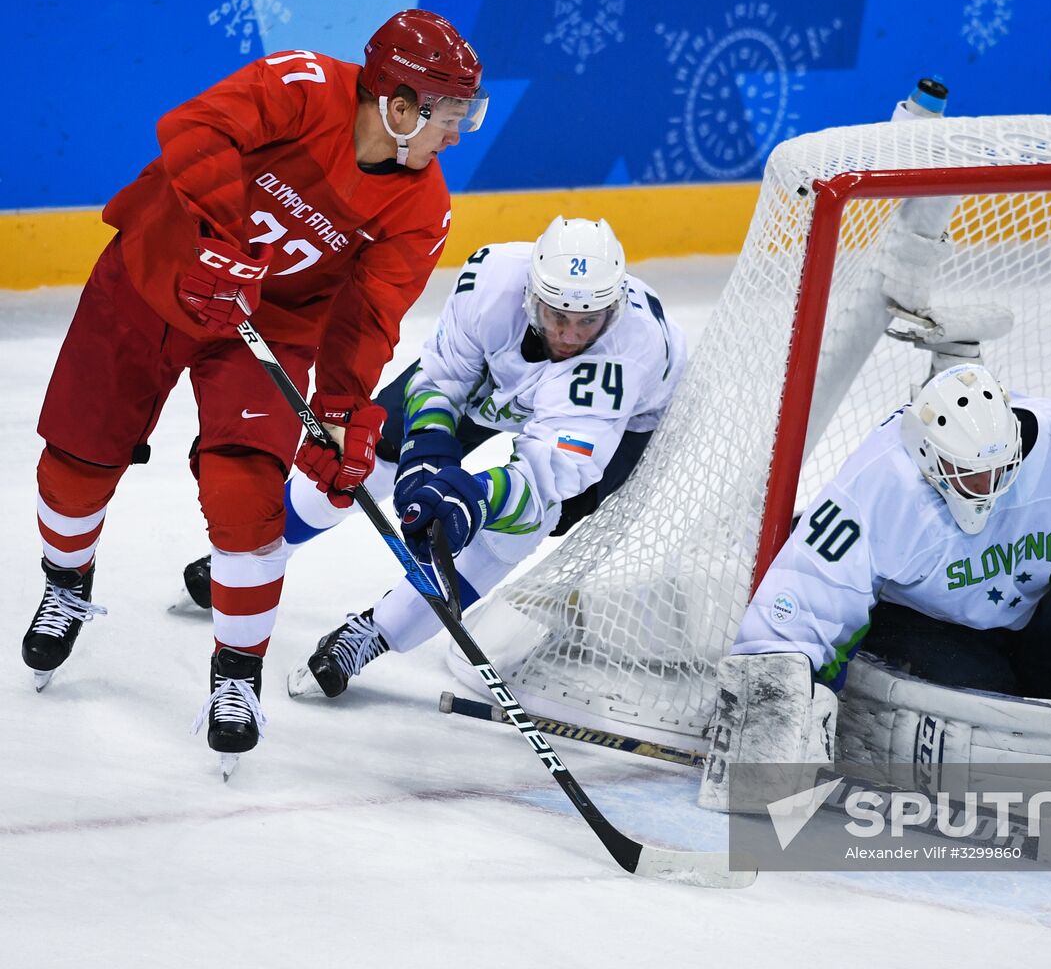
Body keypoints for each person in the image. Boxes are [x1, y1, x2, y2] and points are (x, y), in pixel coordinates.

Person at [21, 9, 488, 770]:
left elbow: (369, 316)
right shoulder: (302, 86)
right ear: (400, 107)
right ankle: (66, 582)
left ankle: (237, 674)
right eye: (451, 114)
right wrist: (221, 242)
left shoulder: (421, 206)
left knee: (248, 498)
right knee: (78, 460)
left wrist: (341, 411)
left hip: (269, 327)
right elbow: (195, 128)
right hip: (155, 272)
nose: (458, 134)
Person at [698, 363, 1051, 809]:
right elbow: (810, 593)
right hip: (916, 618)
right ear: (927, 455)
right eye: (970, 474)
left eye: (1000, 469)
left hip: (1023, 608)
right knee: (1002, 708)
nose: (988, 487)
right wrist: (775, 700)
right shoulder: (880, 483)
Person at [178, 215, 685, 700]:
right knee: (374, 452)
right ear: (532, 297)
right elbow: (443, 378)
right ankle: (260, 553)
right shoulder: (492, 280)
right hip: (496, 375)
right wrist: (427, 453)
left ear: (612, 311)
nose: (571, 335)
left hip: (619, 420)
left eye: (588, 320)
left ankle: (374, 634)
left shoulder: (625, 354)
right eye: (558, 316)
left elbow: (548, 475)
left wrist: (475, 498)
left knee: (521, 526)